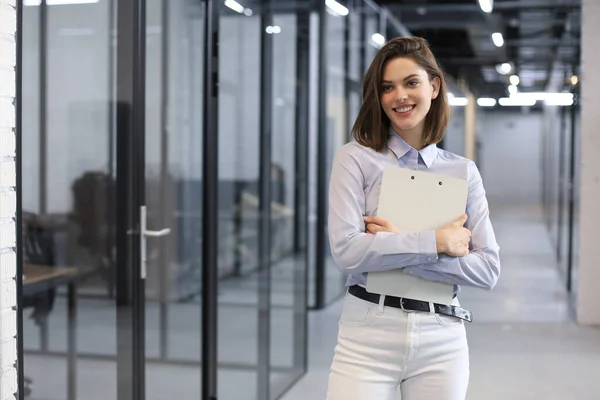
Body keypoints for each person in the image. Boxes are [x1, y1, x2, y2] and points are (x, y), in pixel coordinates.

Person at [325, 36, 501, 400]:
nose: (399, 96)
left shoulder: (462, 171)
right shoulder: (355, 159)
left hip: (442, 335)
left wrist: (390, 246)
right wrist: (438, 243)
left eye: (411, 83)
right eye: (387, 87)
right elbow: (347, 252)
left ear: (434, 86)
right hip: (367, 334)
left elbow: (487, 271)